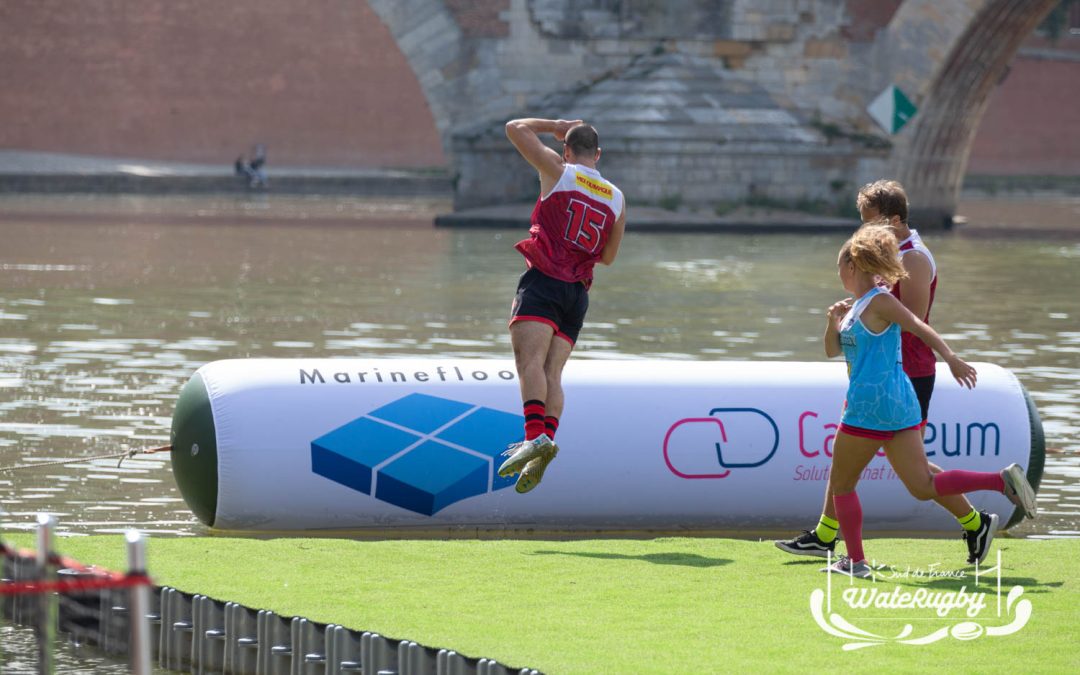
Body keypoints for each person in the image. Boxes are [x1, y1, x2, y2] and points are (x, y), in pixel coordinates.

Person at [777, 180, 996, 565]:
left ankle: (972, 520)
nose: (864, 231)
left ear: (895, 219)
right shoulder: (879, 273)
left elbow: (912, 322)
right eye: (862, 223)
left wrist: (948, 356)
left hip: (904, 374)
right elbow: (860, 327)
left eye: (871, 222)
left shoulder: (911, 259)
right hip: (878, 373)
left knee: (907, 475)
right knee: (878, 470)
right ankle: (828, 536)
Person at [816, 224, 1036, 578]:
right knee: (923, 486)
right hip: (899, 407)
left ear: (852, 265)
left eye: (839, 265)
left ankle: (856, 563)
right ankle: (1000, 481)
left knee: (842, 485)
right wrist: (833, 322)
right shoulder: (857, 308)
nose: (837, 272)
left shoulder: (882, 300)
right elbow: (832, 351)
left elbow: (919, 326)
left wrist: (950, 357)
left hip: (868, 407)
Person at [496, 118, 627, 493]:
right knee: (553, 373)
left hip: (544, 282)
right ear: (598, 155)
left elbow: (514, 128)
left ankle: (534, 435)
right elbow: (609, 257)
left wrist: (554, 125)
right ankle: (543, 446)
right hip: (577, 294)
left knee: (529, 364)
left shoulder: (558, 169)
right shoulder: (617, 198)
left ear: (567, 150)